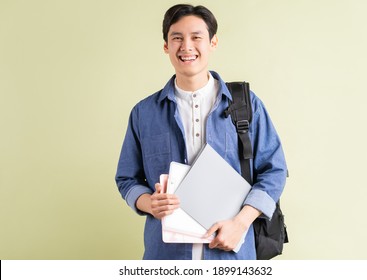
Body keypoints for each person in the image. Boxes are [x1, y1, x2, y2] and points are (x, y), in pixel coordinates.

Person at [115, 4, 287, 260]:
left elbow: (274, 170)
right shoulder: (144, 113)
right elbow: (127, 178)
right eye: (177, 38)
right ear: (166, 46)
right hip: (165, 257)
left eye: (196, 37)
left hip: (231, 258)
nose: (186, 46)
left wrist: (240, 223)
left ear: (213, 42)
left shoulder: (245, 105)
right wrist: (147, 202)